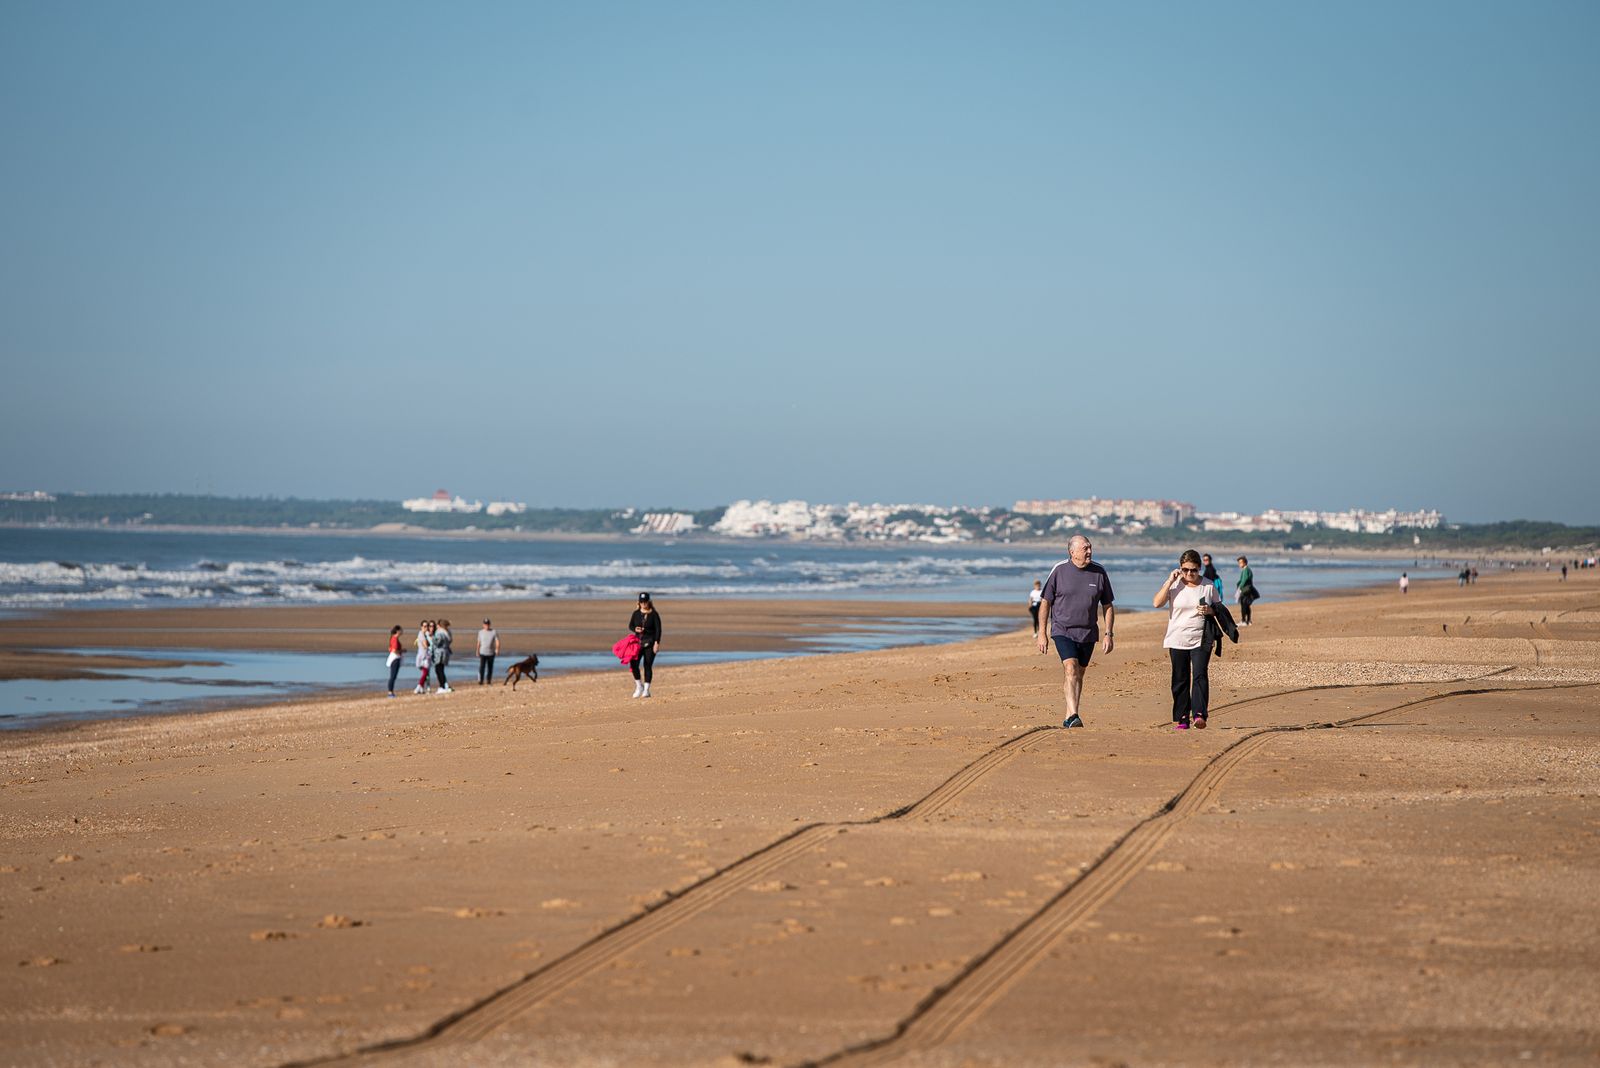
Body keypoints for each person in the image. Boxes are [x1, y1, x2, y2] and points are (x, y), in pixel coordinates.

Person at [1035, 535, 1115, 729]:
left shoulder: (1099, 572)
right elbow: (1045, 602)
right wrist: (1042, 633)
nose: (1089, 551)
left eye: (1090, 547)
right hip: (1062, 630)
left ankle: (1069, 716)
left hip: (1088, 632)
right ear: (1072, 552)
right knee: (1070, 668)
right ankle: (1074, 715)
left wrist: (1108, 634)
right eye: (1085, 548)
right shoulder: (1059, 570)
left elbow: (1107, 605)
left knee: (1079, 673)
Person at [1154, 550, 1219, 730]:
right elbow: (1157, 603)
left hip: (1202, 638)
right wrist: (1169, 581)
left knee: (1200, 674)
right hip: (1177, 638)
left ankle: (1199, 714)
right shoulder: (1174, 585)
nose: (1189, 573)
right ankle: (1182, 718)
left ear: (1199, 568)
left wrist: (1210, 610)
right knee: (1180, 678)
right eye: (1185, 570)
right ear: (1180, 568)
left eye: (1194, 570)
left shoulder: (1208, 585)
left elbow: (1218, 609)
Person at [629, 592, 662, 698]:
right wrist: (635, 629)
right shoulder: (636, 613)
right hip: (638, 643)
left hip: (650, 643)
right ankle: (639, 686)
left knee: (647, 665)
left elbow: (658, 630)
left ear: (649, 602)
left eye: (645, 602)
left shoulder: (654, 614)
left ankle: (646, 690)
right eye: (641, 602)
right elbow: (630, 625)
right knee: (633, 664)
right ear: (639, 602)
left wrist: (657, 643)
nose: (643, 604)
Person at [432, 618, 453, 693]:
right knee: (441, 669)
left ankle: (442, 686)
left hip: (439, 653)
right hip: (445, 652)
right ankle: (444, 685)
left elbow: (437, 642)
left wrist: (432, 639)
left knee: (438, 669)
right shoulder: (447, 632)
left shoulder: (440, 632)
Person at [477, 618, 500, 684]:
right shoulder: (480, 632)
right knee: (482, 667)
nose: (486, 625)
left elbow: (497, 641)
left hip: (491, 653)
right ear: (483, 625)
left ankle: (488, 680)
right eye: (485, 624)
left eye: (487, 624)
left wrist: (497, 649)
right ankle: (481, 680)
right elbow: (478, 642)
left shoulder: (494, 632)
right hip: (482, 652)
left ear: (489, 624)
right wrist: (477, 651)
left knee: (490, 667)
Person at [414, 620, 434, 694]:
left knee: (426, 673)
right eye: (424, 626)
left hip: (426, 656)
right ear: (421, 627)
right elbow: (425, 645)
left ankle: (423, 688)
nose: (426, 628)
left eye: (427, 626)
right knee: (425, 673)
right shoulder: (421, 634)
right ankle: (419, 686)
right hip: (422, 657)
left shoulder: (426, 634)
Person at [1235, 556, 1256, 625]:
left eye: (1240, 562)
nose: (1239, 564)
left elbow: (1244, 580)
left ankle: (1244, 621)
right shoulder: (1246, 569)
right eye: (1239, 563)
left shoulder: (1246, 570)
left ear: (1245, 563)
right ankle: (1248, 621)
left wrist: (1239, 587)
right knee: (1247, 605)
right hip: (1247, 589)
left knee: (1244, 605)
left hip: (1245, 590)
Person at [385, 625, 404, 697]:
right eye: (401, 630)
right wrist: (402, 651)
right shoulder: (394, 639)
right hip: (395, 658)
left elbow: (390, 648)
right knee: (393, 676)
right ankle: (390, 692)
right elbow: (394, 650)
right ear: (397, 631)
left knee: (393, 676)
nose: (402, 632)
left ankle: (391, 691)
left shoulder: (393, 638)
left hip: (395, 658)